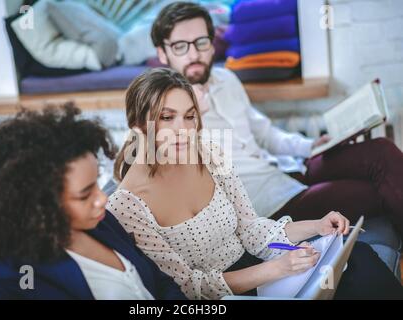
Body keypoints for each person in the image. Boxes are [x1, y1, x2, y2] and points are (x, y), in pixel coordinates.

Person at [108, 67, 403, 300]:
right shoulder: (126, 204)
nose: (183, 130)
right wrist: (274, 269)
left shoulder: (209, 153)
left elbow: (250, 229)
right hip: (229, 293)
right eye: (166, 117)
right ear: (137, 125)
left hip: (261, 267)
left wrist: (316, 226)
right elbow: (186, 287)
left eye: (189, 116)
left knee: (358, 257)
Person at [149, 1, 403, 235]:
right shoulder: (163, 110)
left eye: (201, 42)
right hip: (271, 205)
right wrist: (191, 111)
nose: (193, 54)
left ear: (212, 43)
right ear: (163, 53)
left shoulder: (226, 79)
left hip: (286, 169)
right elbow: (162, 173)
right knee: (375, 191)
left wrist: (310, 147)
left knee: (380, 151)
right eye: (180, 46)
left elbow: (265, 133)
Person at [0, 104, 186, 300]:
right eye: (85, 194)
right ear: (37, 204)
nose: (102, 198)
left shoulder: (102, 223)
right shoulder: (13, 275)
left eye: (97, 183)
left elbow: (160, 282)